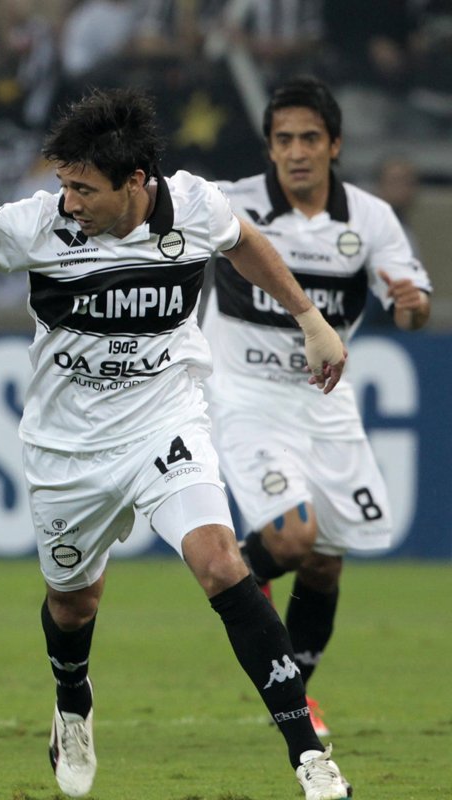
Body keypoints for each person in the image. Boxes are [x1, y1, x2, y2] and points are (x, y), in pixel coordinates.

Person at [0, 87, 354, 799]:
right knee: (73, 605)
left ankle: (308, 758)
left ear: (136, 184)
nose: (68, 202)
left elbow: (245, 242)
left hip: (164, 419)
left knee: (220, 562)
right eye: (63, 185)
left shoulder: (193, 206)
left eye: (83, 188)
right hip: (66, 449)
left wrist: (308, 318)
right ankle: (73, 697)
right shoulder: (36, 225)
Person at [203, 75, 432, 739]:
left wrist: (413, 308)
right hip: (244, 395)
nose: (296, 151)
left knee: (327, 559)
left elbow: (411, 304)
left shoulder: (370, 217)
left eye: (309, 138)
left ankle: (295, 690)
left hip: (324, 403)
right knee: (294, 537)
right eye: (283, 140)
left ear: (334, 144)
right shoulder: (231, 206)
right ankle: (230, 571)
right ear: (269, 149)